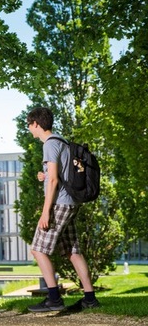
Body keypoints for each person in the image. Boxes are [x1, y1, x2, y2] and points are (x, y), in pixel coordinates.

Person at [25, 107, 101, 312]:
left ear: (36, 124)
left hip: (59, 204)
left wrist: (45, 211)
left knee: (38, 250)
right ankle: (90, 298)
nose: (29, 129)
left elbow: (53, 180)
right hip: (71, 203)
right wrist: (44, 176)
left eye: (29, 125)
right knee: (72, 251)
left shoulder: (50, 144)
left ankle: (54, 298)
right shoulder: (62, 141)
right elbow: (57, 174)